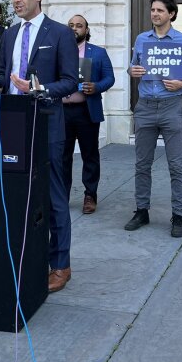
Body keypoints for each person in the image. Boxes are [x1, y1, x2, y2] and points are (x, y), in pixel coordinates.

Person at [0, 0, 78, 293]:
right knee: (16, 195)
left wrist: (39, 88)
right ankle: (23, 255)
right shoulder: (8, 34)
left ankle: (60, 265)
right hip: (13, 125)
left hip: (47, 125)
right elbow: (2, 74)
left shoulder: (61, 34)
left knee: (53, 198)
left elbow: (70, 81)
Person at [125, 0, 182, 238]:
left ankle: (178, 215)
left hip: (172, 106)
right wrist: (132, 70)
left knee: (177, 164)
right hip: (146, 105)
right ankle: (141, 210)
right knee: (142, 163)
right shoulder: (141, 40)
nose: (155, 14)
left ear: (171, 14)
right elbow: (132, 66)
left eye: (160, 10)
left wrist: (181, 83)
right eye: (152, 10)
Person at [62, 15, 115, 214]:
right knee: (62, 156)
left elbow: (110, 78)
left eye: (79, 25)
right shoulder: (59, 51)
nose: (74, 28)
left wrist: (97, 87)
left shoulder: (98, 53)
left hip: (86, 111)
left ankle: (90, 196)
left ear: (86, 29)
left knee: (89, 155)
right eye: (71, 25)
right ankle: (61, 197)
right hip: (62, 111)